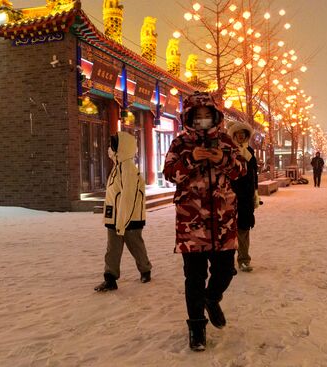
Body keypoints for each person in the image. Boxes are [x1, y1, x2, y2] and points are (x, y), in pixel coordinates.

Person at [163, 91, 246, 352]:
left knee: (225, 271)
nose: (202, 120)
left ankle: (213, 298)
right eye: (196, 116)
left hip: (223, 223)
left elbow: (241, 171)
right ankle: (196, 327)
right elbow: (169, 174)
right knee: (194, 278)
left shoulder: (224, 140)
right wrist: (191, 159)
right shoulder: (179, 144)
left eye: (206, 115)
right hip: (192, 225)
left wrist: (221, 159)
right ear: (188, 117)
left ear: (215, 116)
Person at [94, 131, 152, 292]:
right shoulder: (117, 167)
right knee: (113, 248)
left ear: (121, 148)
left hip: (129, 217)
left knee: (135, 245)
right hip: (115, 217)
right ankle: (110, 278)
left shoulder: (127, 169)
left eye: (111, 146)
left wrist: (123, 220)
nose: (108, 149)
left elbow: (128, 197)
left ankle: (145, 269)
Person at [228, 121, 259, 273]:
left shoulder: (251, 152)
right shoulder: (228, 152)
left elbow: (254, 174)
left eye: (243, 135)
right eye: (237, 135)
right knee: (228, 230)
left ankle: (244, 259)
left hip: (246, 196)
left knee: (244, 228)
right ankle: (227, 263)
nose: (240, 137)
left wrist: (255, 193)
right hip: (230, 195)